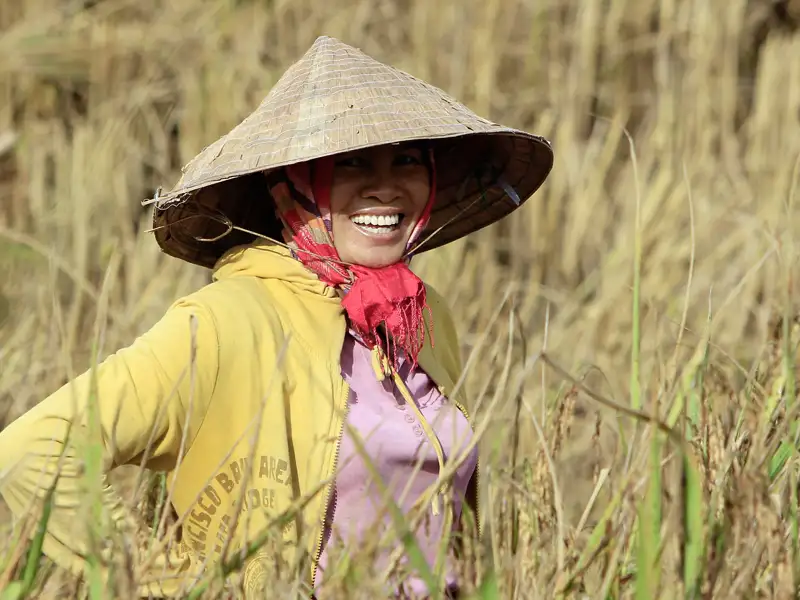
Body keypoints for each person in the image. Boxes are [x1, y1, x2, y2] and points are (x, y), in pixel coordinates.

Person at [0, 36, 553, 598]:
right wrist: (173, 584)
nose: (384, 186)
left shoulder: (422, 315)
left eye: (407, 160)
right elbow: (32, 454)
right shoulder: (228, 320)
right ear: (292, 190)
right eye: (351, 163)